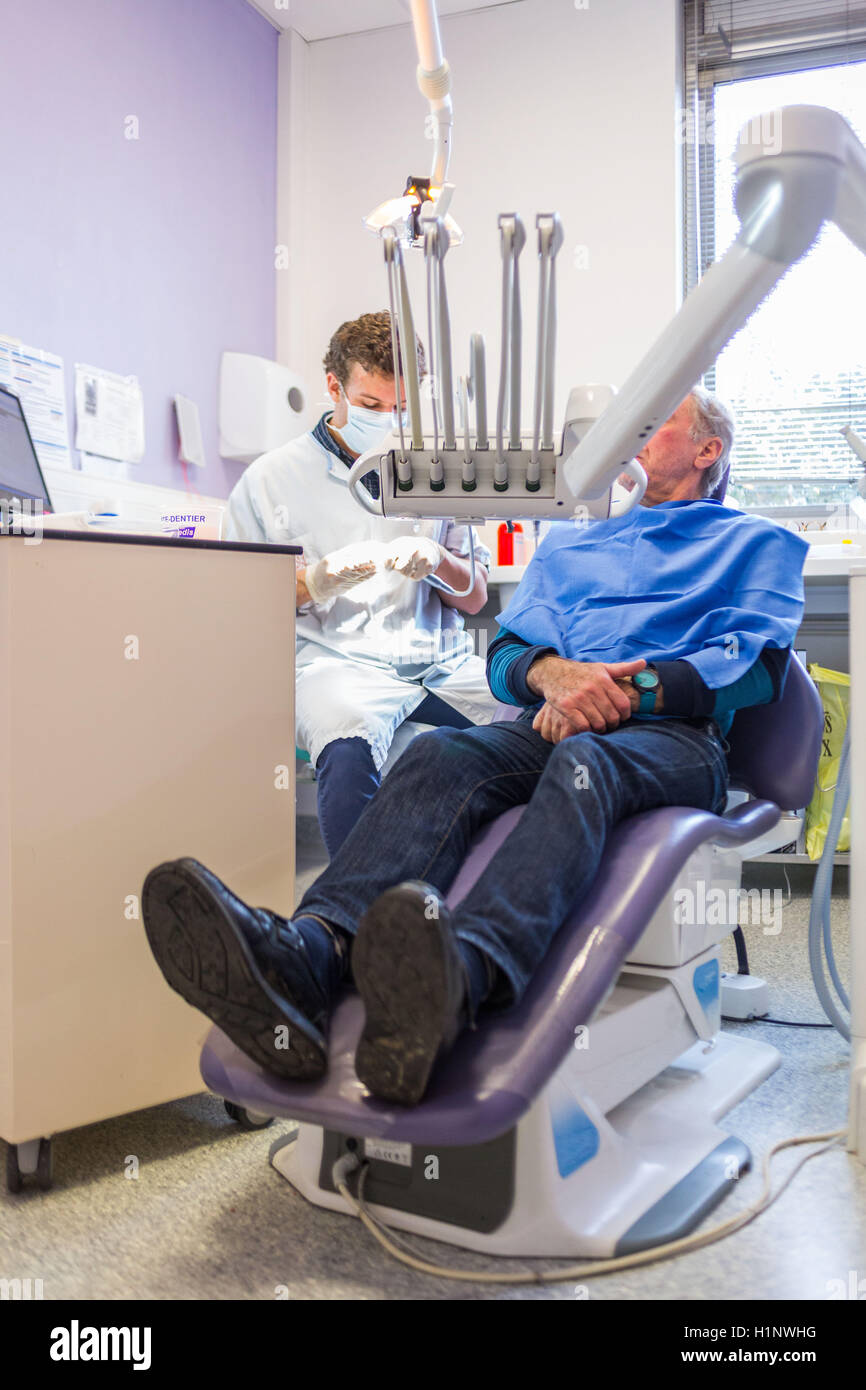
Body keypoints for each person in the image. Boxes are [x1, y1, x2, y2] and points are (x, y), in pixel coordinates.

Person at [143, 387, 808, 1107]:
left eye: (658, 420)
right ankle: (308, 957)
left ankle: (460, 975)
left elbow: (758, 674)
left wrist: (618, 697)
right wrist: (553, 678)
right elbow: (507, 657)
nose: (632, 433)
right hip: (551, 725)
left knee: (588, 763)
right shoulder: (576, 537)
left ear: (708, 450)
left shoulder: (752, 542)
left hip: (674, 742)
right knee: (438, 756)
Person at [225, 310, 497, 855]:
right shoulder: (270, 479)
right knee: (348, 750)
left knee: (533, 722)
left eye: (402, 408)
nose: (388, 419)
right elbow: (239, 609)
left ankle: (485, 903)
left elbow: (473, 597)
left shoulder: (438, 469)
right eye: (372, 406)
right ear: (334, 387)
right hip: (335, 665)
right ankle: (357, 922)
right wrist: (315, 583)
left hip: (437, 663)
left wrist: (439, 560)